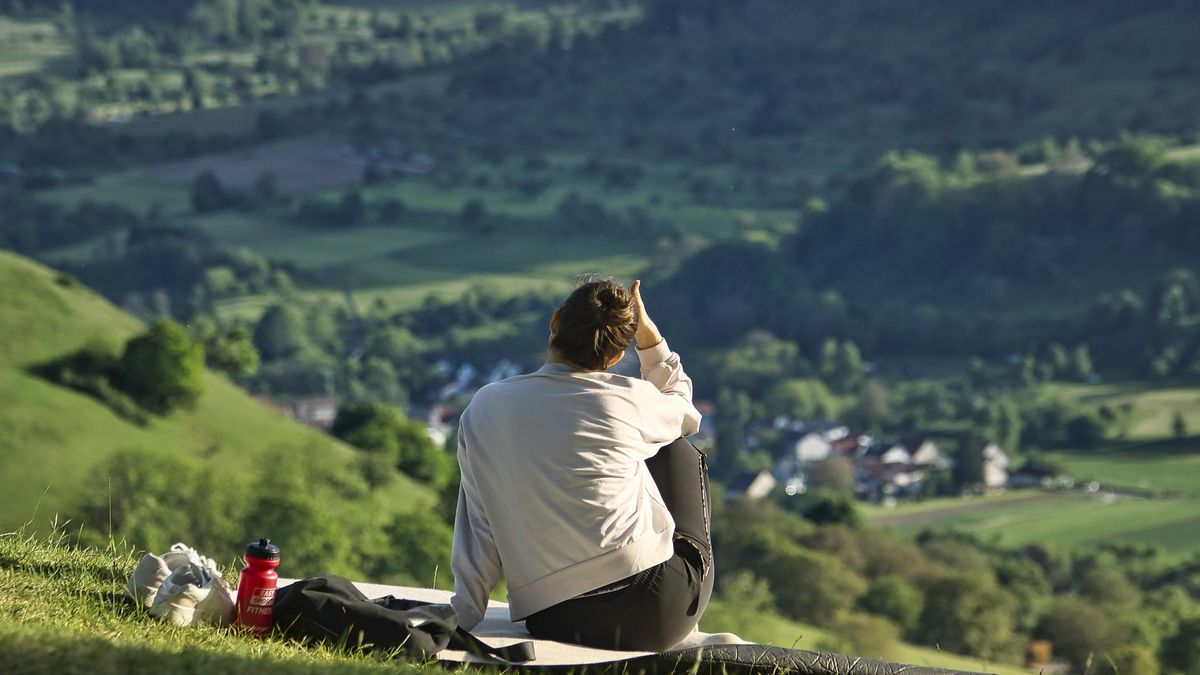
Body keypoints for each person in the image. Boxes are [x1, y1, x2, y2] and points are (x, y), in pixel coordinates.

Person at [450, 277, 714, 651]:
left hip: (553, 617)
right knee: (674, 446)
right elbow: (684, 410)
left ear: (555, 321)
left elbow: (479, 520)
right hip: (653, 613)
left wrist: (465, 611)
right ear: (616, 356)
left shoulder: (485, 406)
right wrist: (651, 341)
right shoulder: (630, 400)